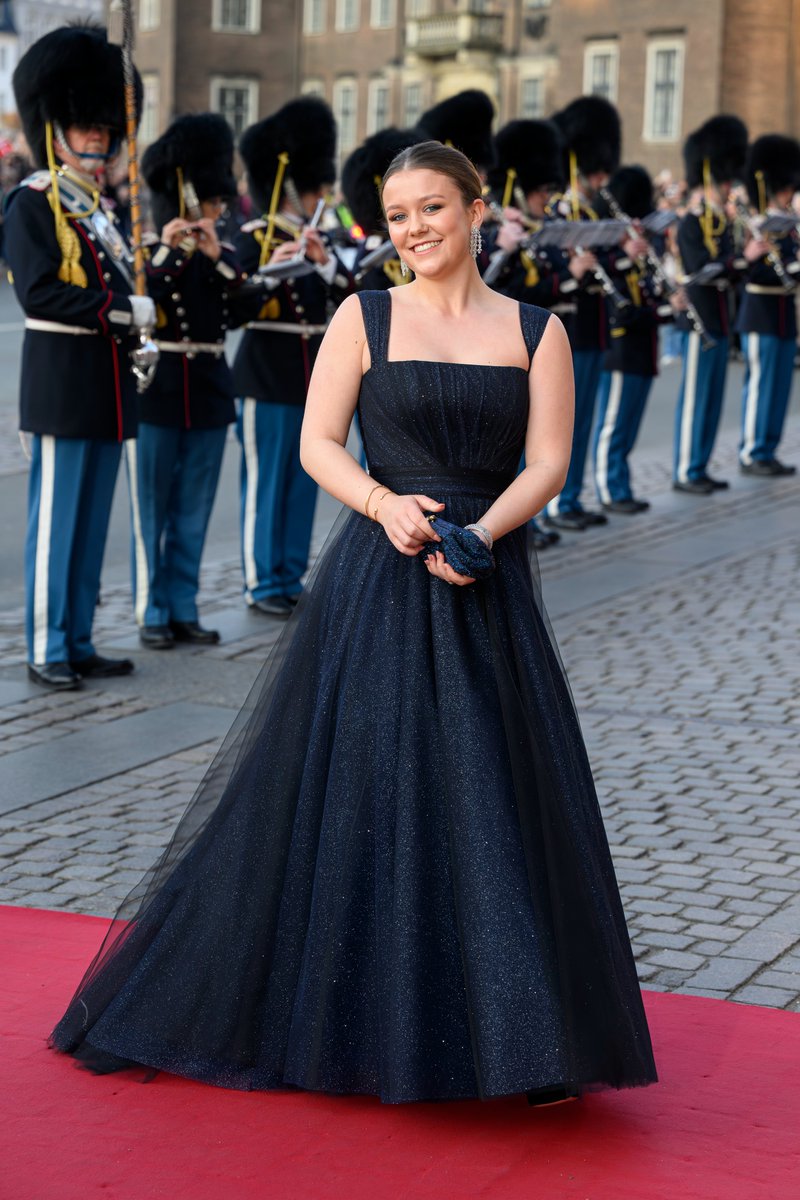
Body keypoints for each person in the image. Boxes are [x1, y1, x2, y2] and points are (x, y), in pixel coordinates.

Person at [49, 141, 657, 1105]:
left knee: (499, 793)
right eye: (399, 214)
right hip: (382, 575)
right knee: (374, 787)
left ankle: (525, 1042)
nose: (415, 229)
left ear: (475, 207)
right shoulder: (362, 315)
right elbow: (315, 443)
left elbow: (548, 462)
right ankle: (367, 1026)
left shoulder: (537, 330)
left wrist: (479, 535)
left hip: (486, 578)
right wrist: (387, 509)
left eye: (433, 209)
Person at [4, 25, 150, 691]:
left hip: (108, 386)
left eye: (104, 129)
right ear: (57, 126)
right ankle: (46, 646)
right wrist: (120, 311)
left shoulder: (100, 212)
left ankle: (80, 639)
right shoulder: (33, 202)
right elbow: (39, 292)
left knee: (91, 528)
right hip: (62, 382)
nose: (97, 140)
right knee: (57, 526)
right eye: (85, 128)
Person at [233, 97, 353, 617]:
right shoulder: (254, 238)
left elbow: (350, 296)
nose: (318, 197)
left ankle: (288, 573)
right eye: (310, 189)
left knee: (306, 481)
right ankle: (262, 582)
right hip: (265, 374)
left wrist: (323, 264)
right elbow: (235, 304)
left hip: (311, 379)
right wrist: (272, 268)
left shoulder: (321, 239)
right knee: (266, 485)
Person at [131, 113, 245, 650]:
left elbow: (245, 302)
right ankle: (151, 609)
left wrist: (214, 256)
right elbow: (145, 301)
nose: (220, 213)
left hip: (207, 388)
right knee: (151, 506)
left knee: (193, 508)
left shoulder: (217, 255)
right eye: (214, 204)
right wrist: (172, 250)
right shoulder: (151, 253)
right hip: (159, 389)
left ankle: (183, 604)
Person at [672, 115, 750, 494]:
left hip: (721, 319)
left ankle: (700, 464)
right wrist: (736, 262)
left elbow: (731, 269)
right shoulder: (693, 222)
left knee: (714, 399)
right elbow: (697, 268)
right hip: (699, 319)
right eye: (722, 182)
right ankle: (686, 468)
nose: (726, 188)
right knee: (694, 400)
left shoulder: (724, 222)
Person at [592, 165, 676, 514]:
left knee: (629, 425)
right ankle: (608, 489)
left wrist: (668, 305)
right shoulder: (609, 247)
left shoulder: (640, 248)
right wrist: (627, 256)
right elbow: (614, 298)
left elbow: (648, 294)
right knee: (613, 426)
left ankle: (621, 485)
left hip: (643, 345)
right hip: (621, 345)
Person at [735, 134, 800, 477]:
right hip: (760, 311)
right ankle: (751, 450)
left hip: (783, 313)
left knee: (779, 386)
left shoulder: (789, 227)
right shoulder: (753, 224)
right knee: (761, 383)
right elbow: (743, 267)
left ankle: (769, 447)